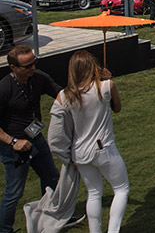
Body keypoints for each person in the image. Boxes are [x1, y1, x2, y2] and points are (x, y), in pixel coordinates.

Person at [56, 51, 128, 233]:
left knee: (94, 193)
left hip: (80, 152)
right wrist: (108, 80)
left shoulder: (65, 96)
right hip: (104, 149)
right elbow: (117, 108)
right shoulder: (105, 87)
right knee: (121, 189)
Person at [0, 46, 70, 233]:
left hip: (35, 138)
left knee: (51, 178)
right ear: (13, 67)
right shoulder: (4, 88)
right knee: (14, 192)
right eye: (27, 66)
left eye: (34, 63)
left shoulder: (38, 78)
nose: (32, 68)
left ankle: (50, 219)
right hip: (14, 146)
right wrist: (13, 142)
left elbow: (60, 94)